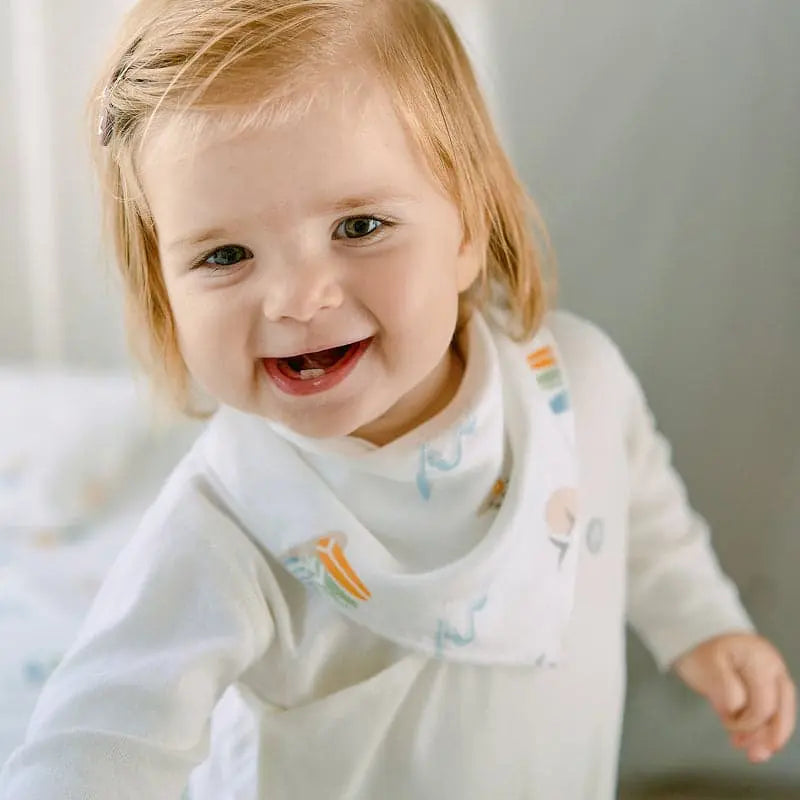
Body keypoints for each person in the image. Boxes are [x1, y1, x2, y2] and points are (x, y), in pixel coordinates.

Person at [0, 1, 795, 797]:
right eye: (226, 254)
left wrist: (702, 623)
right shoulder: (223, 527)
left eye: (358, 227)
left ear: (466, 229)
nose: (296, 299)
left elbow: (639, 512)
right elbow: (95, 742)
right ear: (162, 290)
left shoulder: (577, 382)